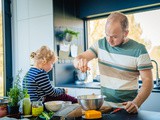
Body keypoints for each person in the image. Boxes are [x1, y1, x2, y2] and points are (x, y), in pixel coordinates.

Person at [73, 12, 153, 113]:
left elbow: (148, 81)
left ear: (125, 33)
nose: (109, 41)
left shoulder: (139, 50)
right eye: (107, 35)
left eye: (114, 37)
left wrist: (136, 103)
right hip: (104, 107)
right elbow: (79, 58)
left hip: (127, 109)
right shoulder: (100, 44)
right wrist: (79, 62)